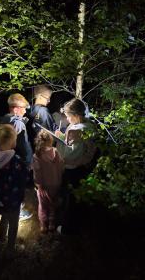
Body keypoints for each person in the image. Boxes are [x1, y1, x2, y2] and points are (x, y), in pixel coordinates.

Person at [55, 98, 97, 234]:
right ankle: (82, 221)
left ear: (76, 115)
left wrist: (59, 141)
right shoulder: (90, 125)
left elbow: (68, 155)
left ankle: (68, 228)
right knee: (79, 196)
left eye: (68, 116)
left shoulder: (75, 130)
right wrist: (63, 137)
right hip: (85, 166)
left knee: (70, 199)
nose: (66, 119)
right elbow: (83, 148)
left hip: (72, 169)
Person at [0, 124, 28, 255]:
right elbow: (23, 178)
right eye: (15, 139)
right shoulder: (16, 160)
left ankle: (1, 240)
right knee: (14, 224)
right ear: (11, 142)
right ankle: (10, 249)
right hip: (13, 200)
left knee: (4, 217)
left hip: (0, 200)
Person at [0, 93, 33, 221]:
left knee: (11, 186)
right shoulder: (17, 123)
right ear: (15, 109)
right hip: (19, 162)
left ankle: (13, 206)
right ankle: (16, 212)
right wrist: (24, 160)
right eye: (23, 108)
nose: (25, 110)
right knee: (17, 186)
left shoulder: (5, 119)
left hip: (11, 162)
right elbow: (12, 145)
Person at [32, 130, 64, 233]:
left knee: (43, 205)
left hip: (43, 185)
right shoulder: (56, 151)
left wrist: (38, 184)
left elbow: (37, 172)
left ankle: (43, 224)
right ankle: (51, 223)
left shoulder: (37, 155)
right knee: (52, 204)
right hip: (56, 183)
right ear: (51, 141)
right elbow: (61, 167)